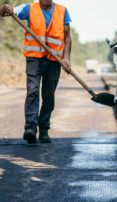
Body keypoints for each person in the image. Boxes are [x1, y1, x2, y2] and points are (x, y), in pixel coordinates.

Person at [0, 0, 72, 144]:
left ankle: (44, 129)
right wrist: (5, 8)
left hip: (54, 59)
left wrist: (67, 59)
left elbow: (67, 37)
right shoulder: (29, 8)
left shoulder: (62, 11)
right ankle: (30, 129)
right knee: (32, 90)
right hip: (34, 58)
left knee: (49, 94)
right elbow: (6, 12)